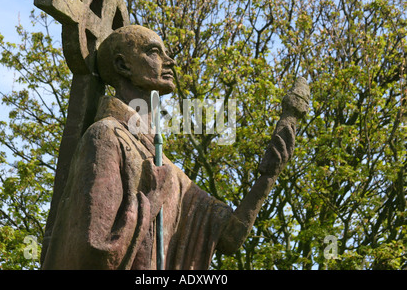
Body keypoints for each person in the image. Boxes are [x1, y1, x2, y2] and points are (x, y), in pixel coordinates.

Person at [41, 25, 302, 269]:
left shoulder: (168, 170)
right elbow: (94, 249)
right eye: (154, 52)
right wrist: (150, 202)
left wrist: (268, 175)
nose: (170, 61)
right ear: (122, 65)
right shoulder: (107, 136)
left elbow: (230, 236)